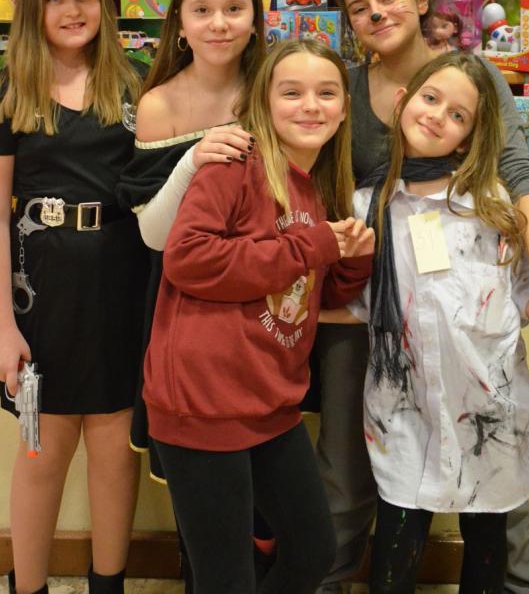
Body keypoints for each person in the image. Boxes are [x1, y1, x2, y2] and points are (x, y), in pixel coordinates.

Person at [313, 0, 529, 594]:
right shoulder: (352, 112)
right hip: (386, 341)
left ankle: (519, 584)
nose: (375, 14)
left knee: (494, 501)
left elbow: (520, 188)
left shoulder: (484, 182)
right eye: (358, 7)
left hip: (477, 372)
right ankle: (330, 579)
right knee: (360, 479)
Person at [143, 39, 375, 594]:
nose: (310, 105)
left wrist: (352, 260)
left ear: (345, 108)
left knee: (313, 551)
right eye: (291, 92)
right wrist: (313, 246)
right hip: (202, 403)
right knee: (226, 578)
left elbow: (305, 292)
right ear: (263, 103)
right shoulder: (234, 167)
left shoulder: (317, 188)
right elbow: (187, 259)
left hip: (271, 403)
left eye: (326, 93)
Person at [0, 0, 149, 594]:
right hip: (42, 291)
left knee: (115, 450)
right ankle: (30, 588)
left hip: (122, 283)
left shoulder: (135, 86)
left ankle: (109, 585)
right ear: (30, 9)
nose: (72, 10)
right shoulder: (3, 94)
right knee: (42, 452)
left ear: (103, 1)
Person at [350, 52, 529, 593]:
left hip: (485, 407)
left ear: (468, 138)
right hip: (403, 407)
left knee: (487, 539)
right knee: (398, 532)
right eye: (431, 98)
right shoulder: (368, 206)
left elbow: (521, 287)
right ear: (402, 102)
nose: (438, 116)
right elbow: (356, 301)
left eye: (458, 115)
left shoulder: (491, 205)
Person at [116, 0, 267, 586]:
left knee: (267, 472)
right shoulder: (157, 105)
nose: (219, 24)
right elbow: (153, 234)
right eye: (202, 10)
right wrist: (195, 158)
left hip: (268, 303)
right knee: (202, 484)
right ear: (178, 22)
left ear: (256, 19)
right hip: (186, 309)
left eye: (234, 8)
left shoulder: (277, 88)